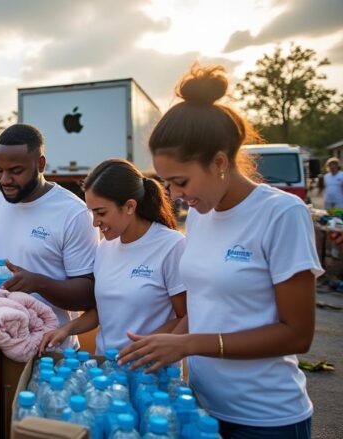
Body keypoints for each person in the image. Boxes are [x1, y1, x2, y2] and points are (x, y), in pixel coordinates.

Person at [118, 65, 321, 438]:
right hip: (200, 406)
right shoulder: (200, 216)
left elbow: (297, 335)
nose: (175, 196)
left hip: (265, 418)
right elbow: (206, 303)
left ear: (220, 162)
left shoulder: (281, 214)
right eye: (167, 183)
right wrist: (162, 341)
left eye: (181, 181)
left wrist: (189, 344)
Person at [0, 124, 99, 348]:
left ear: (40, 164)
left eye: (16, 171)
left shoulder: (73, 213)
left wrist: (38, 283)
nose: (5, 179)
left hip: (49, 350)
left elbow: (88, 294)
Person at [39, 159, 186, 355]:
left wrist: (145, 346)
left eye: (101, 213)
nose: (95, 223)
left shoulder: (171, 246)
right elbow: (102, 311)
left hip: (150, 374)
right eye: (92, 212)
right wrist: (66, 329)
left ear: (129, 207)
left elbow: (186, 317)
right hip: (108, 371)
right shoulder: (104, 247)